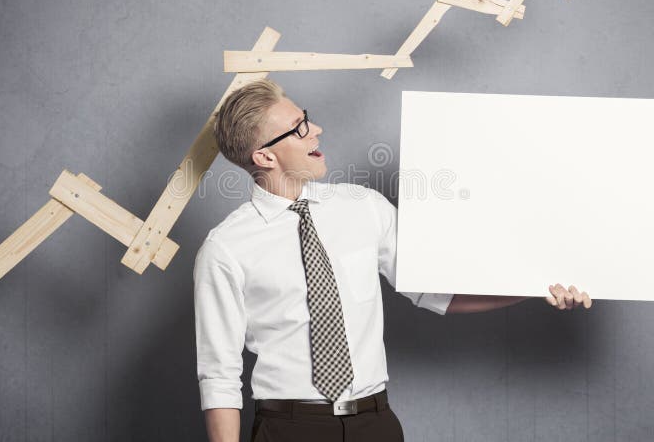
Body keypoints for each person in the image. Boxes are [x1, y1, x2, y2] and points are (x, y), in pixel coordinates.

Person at [193, 79, 592, 442]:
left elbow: (436, 292)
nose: (316, 130)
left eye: (307, 119)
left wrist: (537, 287)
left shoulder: (365, 207)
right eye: (299, 128)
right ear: (265, 157)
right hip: (288, 430)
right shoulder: (225, 248)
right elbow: (219, 375)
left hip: (375, 425)